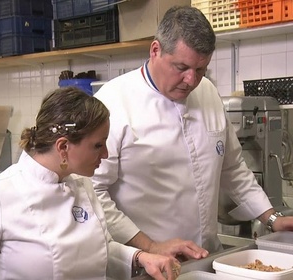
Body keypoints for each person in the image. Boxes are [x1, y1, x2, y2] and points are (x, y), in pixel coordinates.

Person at [91, 5, 293, 258]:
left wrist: (271, 217)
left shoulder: (207, 92)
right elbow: (93, 192)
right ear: (155, 50)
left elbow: (232, 168)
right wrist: (150, 246)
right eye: (181, 67)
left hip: (205, 255)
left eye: (200, 70)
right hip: (146, 263)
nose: (191, 80)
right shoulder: (112, 102)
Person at [0, 87, 182, 280]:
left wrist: (140, 258)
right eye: (98, 145)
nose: (105, 154)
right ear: (63, 147)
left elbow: (98, 249)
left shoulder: (82, 185)